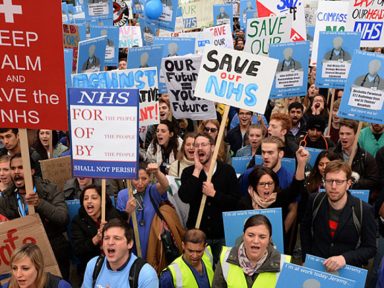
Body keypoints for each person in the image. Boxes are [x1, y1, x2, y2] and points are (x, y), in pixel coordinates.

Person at [0, 153, 70, 280]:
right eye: (13, 168)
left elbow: (62, 218)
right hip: (23, 257)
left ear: (32, 171)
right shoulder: (5, 198)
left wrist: (40, 203)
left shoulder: (50, 189)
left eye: (21, 167)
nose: (16, 172)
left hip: (53, 250)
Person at [301, 160, 376, 270]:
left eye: (339, 182)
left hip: (346, 270)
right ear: (324, 182)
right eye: (330, 181)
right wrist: (305, 258)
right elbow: (305, 229)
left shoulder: (364, 210)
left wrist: (344, 258)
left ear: (348, 184)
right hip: (316, 266)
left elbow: (370, 248)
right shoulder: (314, 200)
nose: (334, 186)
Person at [178, 133, 240, 264]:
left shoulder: (227, 171)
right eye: (196, 145)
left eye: (203, 144)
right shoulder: (189, 172)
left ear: (212, 147)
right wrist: (196, 171)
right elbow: (184, 197)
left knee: (221, 271)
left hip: (221, 234)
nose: (199, 148)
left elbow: (235, 202)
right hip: (197, 234)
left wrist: (214, 194)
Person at [213, 215, 291, 287]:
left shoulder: (284, 265)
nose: (256, 241)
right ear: (243, 236)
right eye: (251, 235)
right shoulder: (225, 257)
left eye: (262, 237)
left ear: (269, 240)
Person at [82, 218, 158, 287]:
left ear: (130, 244)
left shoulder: (146, 274)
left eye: (117, 238)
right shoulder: (93, 265)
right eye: (106, 238)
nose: (110, 242)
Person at [116, 162, 169, 260]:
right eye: (136, 179)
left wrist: (157, 172)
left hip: (151, 238)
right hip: (132, 241)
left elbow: (165, 185)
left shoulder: (153, 190)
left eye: (144, 179)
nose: (140, 183)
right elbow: (120, 225)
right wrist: (127, 211)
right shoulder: (123, 195)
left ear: (149, 179)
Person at [71, 185, 123, 276]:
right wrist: (96, 239)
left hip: (116, 266)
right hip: (91, 269)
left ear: (102, 201)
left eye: (94, 198)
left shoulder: (113, 214)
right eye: (85, 198)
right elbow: (78, 250)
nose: (89, 201)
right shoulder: (78, 221)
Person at [332, 119, 379, 201]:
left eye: (348, 134)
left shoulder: (366, 157)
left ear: (356, 135)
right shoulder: (331, 154)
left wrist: (354, 182)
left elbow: (374, 181)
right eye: (341, 133)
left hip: (356, 200)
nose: (344, 137)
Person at [4, 243, 71, 288]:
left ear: (38, 267)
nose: (18, 275)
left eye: (25, 268)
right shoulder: (8, 286)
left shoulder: (59, 286)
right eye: (14, 268)